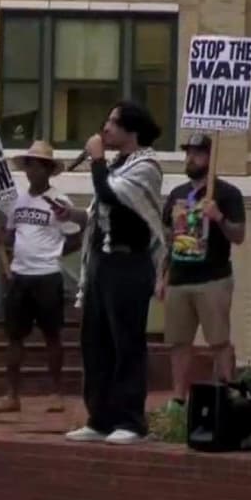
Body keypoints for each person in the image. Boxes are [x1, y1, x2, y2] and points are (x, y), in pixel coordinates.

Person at [64, 100, 168, 445]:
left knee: (127, 343)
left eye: (112, 123)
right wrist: (74, 216)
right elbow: (103, 216)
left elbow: (110, 197)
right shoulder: (117, 165)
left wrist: (95, 161)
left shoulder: (147, 166)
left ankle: (131, 420)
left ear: (131, 130)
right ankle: (100, 417)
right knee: (95, 342)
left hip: (129, 264)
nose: (104, 128)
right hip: (102, 263)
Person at [0, 141, 78, 414]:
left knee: (52, 335)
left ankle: (56, 392)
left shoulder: (60, 201)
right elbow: (11, 236)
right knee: (14, 336)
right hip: (20, 275)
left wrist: (53, 253)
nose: (32, 170)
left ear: (48, 170)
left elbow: (75, 236)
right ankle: (11, 394)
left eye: (38, 165)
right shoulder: (17, 201)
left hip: (47, 276)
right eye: (29, 164)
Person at [161, 134, 245, 413]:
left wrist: (219, 217)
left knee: (219, 340)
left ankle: (229, 393)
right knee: (179, 342)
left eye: (197, 153)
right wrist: (162, 277)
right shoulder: (177, 194)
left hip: (214, 278)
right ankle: (178, 398)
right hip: (179, 278)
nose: (190, 158)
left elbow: (239, 235)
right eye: (188, 153)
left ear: (211, 158)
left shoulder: (228, 193)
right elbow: (167, 238)